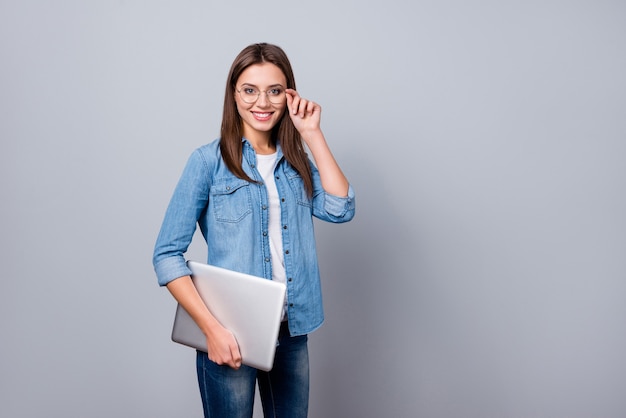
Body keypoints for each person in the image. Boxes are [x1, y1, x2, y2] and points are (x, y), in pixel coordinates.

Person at [152, 43, 356, 417]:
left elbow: (341, 208)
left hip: (291, 332)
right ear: (234, 94)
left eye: (274, 90)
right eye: (250, 89)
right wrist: (212, 330)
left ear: (289, 95)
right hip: (230, 332)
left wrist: (312, 134)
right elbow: (166, 255)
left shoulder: (296, 163)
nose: (262, 102)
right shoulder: (207, 162)